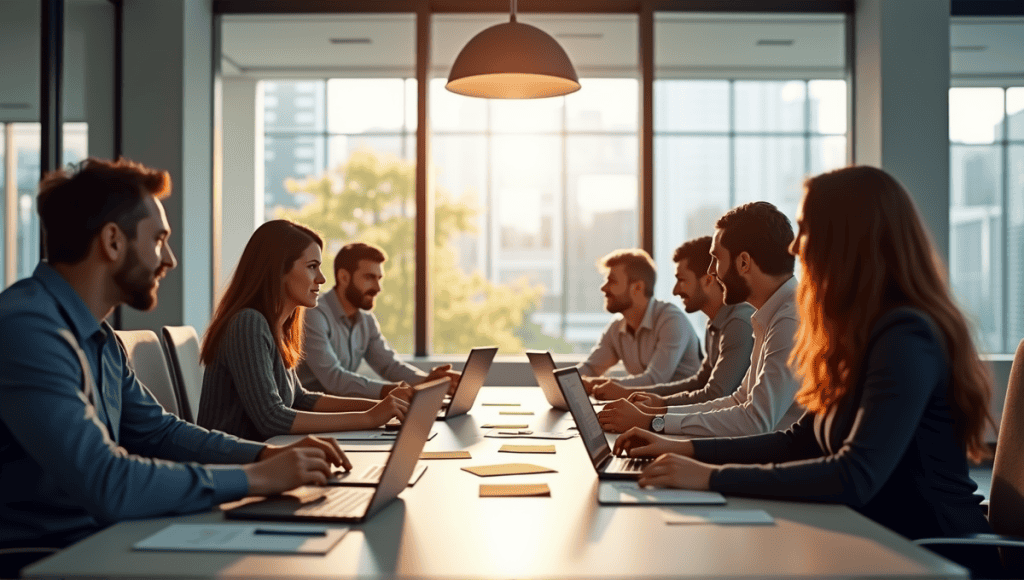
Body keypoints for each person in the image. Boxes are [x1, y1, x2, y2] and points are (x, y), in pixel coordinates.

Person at [613, 166, 995, 559]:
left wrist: (711, 477)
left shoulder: (905, 335)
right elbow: (800, 440)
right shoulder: (857, 333)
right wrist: (685, 450)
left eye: (806, 230)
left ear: (845, 239)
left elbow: (854, 475)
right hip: (870, 539)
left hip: (929, 555)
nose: (795, 249)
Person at [0, 158, 349, 553]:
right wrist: (256, 477)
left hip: (104, 540)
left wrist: (267, 455)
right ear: (113, 241)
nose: (169, 259)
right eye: (158, 240)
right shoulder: (27, 330)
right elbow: (106, 480)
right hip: (46, 557)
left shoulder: (102, 339)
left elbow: (161, 433)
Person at [598, 202, 802, 437]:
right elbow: (739, 400)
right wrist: (658, 414)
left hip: (780, 463)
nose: (712, 271)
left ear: (744, 262)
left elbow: (755, 420)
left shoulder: (788, 320)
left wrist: (654, 422)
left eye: (716, 259)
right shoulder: (769, 316)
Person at [197, 222, 412, 442]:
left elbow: (301, 398)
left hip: (265, 458)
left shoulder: (277, 326)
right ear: (279, 270)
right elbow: (271, 418)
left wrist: (382, 407)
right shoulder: (248, 323)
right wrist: (368, 418)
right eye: (312, 266)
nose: (322, 278)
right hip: (233, 467)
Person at [591, 236, 753, 407]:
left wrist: (658, 406)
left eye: (682, 280)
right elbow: (700, 382)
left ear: (708, 280)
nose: (675, 291)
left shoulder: (737, 323)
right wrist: (634, 394)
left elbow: (715, 395)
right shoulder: (715, 324)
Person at [298, 242, 460, 399]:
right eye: (369, 277)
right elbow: (334, 379)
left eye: (379, 278)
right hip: (308, 413)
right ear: (344, 277)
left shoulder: (366, 321)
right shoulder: (314, 314)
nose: (378, 288)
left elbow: (389, 365)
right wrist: (393, 391)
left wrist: (427, 380)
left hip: (342, 410)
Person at [576, 249, 701, 391]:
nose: (603, 288)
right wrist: (560, 380)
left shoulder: (671, 320)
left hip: (682, 409)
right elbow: (591, 368)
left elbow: (655, 380)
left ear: (637, 287)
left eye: (612, 281)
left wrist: (594, 385)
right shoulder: (617, 327)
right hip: (647, 408)